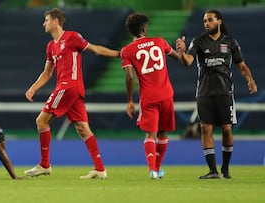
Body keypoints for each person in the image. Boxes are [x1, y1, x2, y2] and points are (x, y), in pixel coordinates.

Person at [24, 8, 120, 179]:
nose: (43, 24)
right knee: (83, 128)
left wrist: (119, 54)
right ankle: (100, 169)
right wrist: (34, 87)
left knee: (41, 120)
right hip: (71, 90)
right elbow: (47, 73)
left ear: (55, 21)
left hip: (69, 87)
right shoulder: (50, 46)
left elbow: (96, 49)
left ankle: (45, 165)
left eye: (46, 20)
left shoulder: (72, 37)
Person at [176, 9, 257, 179]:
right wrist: (182, 52)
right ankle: (212, 170)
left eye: (210, 20)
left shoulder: (230, 42)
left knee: (227, 130)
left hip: (225, 92)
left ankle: (225, 168)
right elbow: (188, 62)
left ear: (219, 21)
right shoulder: (198, 41)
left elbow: (241, 65)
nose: (207, 23)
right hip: (204, 93)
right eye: (205, 21)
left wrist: (250, 79)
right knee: (206, 129)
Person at [120, 13, 182, 179]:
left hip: (149, 96)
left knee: (150, 135)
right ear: (143, 28)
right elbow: (179, 58)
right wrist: (182, 50)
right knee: (163, 133)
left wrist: (130, 100)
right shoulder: (159, 42)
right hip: (167, 94)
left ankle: (152, 170)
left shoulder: (127, 51)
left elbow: (129, 76)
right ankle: (157, 168)